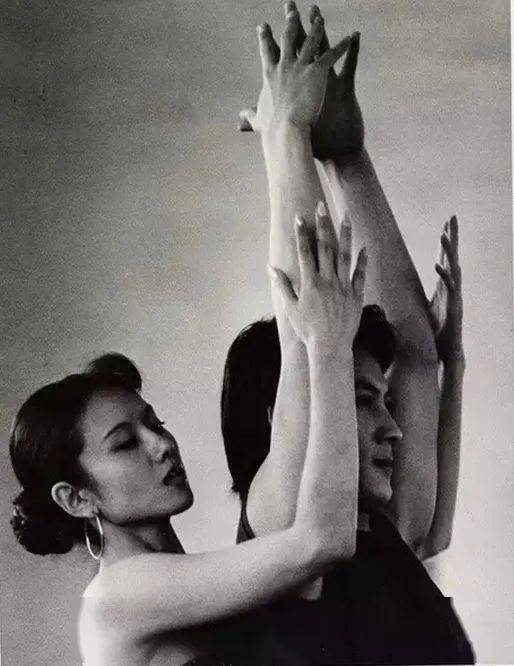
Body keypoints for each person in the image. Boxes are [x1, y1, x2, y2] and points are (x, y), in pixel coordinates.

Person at [221, 3, 473, 663]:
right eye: (365, 402)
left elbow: (413, 356)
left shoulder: (384, 537)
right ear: (279, 417)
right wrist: (286, 136)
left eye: (377, 403)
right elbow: (306, 349)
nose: (395, 429)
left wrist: (346, 156)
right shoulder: (280, 528)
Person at [10, 211, 366, 663]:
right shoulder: (116, 597)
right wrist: (330, 347)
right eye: (126, 444)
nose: (162, 445)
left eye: (156, 424)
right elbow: (323, 542)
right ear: (77, 498)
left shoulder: (189, 585)